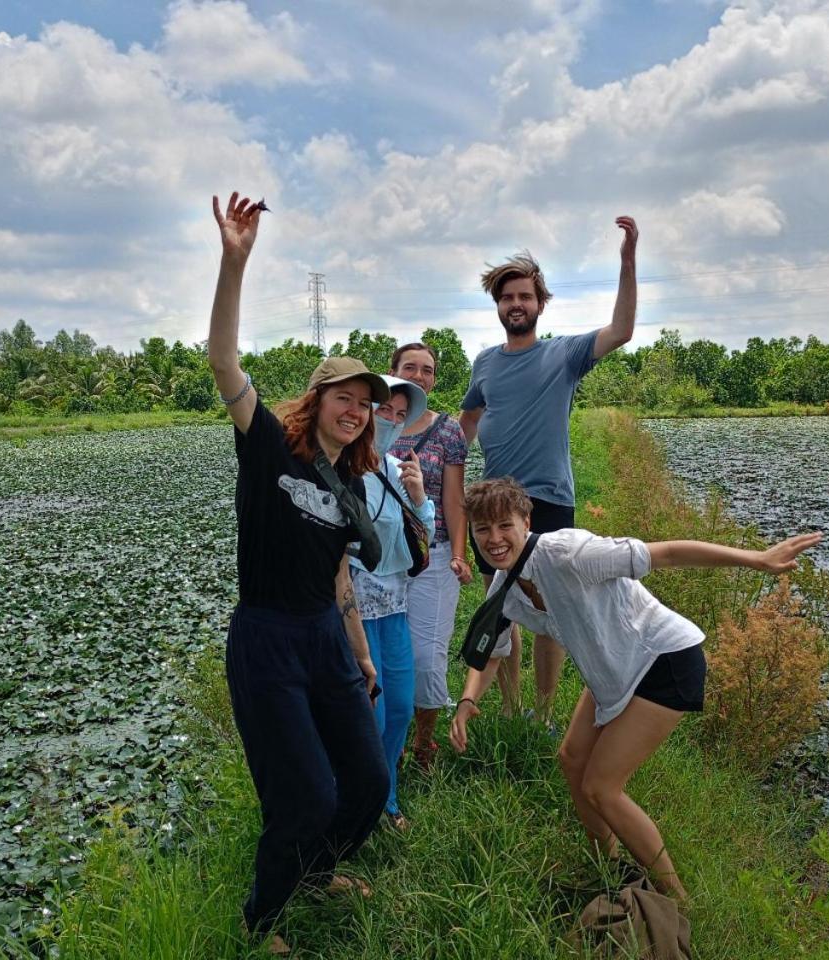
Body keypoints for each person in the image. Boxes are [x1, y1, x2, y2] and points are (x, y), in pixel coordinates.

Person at [449, 477, 822, 902]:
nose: (494, 539)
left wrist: (756, 559)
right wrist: (466, 701)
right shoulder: (504, 587)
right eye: (483, 530)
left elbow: (664, 553)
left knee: (602, 788)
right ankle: (604, 869)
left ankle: (675, 899)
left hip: (663, 661)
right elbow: (491, 652)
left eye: (504, 526)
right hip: (616, 671)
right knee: (572, 759)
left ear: (526, 521)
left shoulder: (569, 553)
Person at [207, 192, 390, 955]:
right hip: (267, 640)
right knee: (305, 795)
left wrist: (359, 649)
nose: (356, 411)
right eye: (345, 399)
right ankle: (263, 918)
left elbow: (340, 578)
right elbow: (223, 359)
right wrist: (234, 260)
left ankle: (317, 872)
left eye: (366, 406)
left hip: (322, 638)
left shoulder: (349, 487)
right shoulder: (268, 449)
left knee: (368, 785)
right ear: (316, 401)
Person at [458, 217, 640, 727]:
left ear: (540, 303)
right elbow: (468, 418)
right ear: (497, 306)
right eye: (506, 297)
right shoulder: (485, 364)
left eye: (524, 296)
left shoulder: (563, 354)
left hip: (548, 501)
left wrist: (627, 262)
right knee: (504, 608)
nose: (515, 304)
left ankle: (542, 713)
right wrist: (439, 461)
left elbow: (622, 331)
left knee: (551, 611)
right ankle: (513, 709)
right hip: (494, 505)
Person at [350, 375, 435, 830]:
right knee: (371, 711)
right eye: (385, 410)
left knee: (400, 705)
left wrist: (420, 497)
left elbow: (426, 537)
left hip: (394, 605)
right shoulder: (338, 466)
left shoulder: (392, 467)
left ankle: (387, 797)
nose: (392, 421)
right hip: (353, 614)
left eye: (401, 415)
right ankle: (361, 805)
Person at [388, 342, 472, 768]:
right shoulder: (375, 422)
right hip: (379, 562)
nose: (419, 376)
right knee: (387, 654)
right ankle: (391, 742)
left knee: (427, 656)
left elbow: (454, 500)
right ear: (393, 372)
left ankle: (424, 744)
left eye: (427, 370)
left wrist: (458, 553)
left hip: (433, 555)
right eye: (410, 368)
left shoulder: (448, 431)